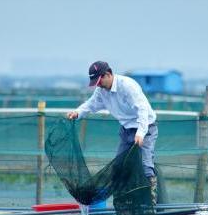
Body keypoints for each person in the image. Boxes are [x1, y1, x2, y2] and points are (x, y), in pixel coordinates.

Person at [67, 61, 159, 204]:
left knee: (146, 165)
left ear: (108, 74)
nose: (98, 85)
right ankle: (126, 201)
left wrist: (140, 133)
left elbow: (143, 110)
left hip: (145, 128)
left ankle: (151, 203)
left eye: (99, 80)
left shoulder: (128, 86)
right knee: (118, 167)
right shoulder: (101, 91)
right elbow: (91, 104)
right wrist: (77, 112)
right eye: (95, 82)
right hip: (126, 130)